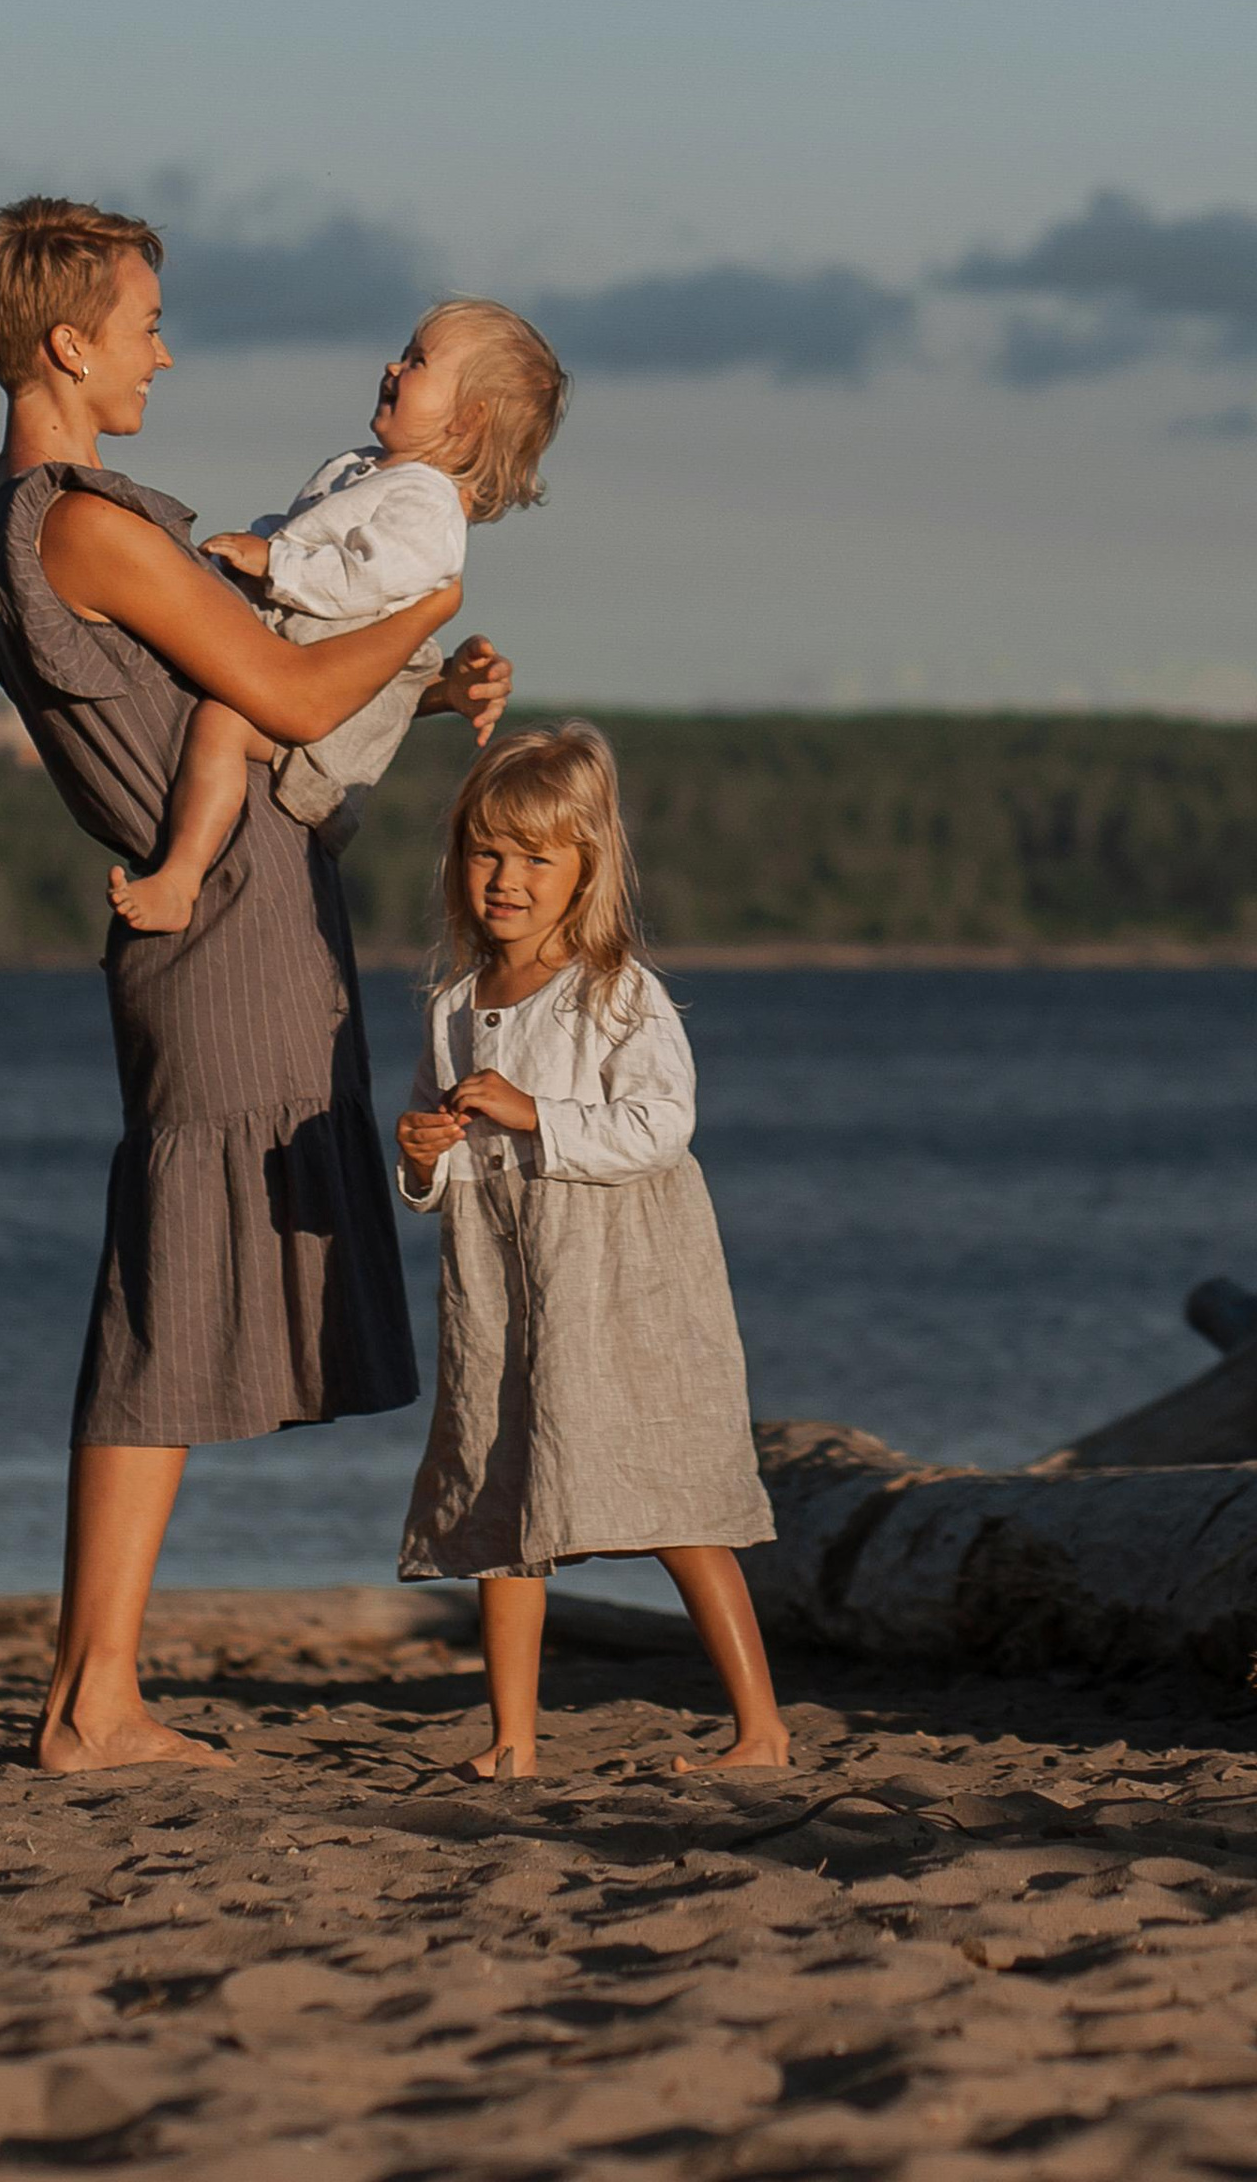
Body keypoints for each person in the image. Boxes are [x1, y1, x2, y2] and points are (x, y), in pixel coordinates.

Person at [0, 195, 510, 1775]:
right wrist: (428, 603)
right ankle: (93, 1699)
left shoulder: (6, 531)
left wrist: (402, 663)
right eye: (142, 326)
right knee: (169, 1284)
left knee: (177, 1275)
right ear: (67, 341)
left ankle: (96, 1688)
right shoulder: (90, 525)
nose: (161, 354)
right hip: (228, 918)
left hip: (213, 905)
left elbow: (260, 701)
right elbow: (286, 683)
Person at [394, 721, 789, 1778]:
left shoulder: (617, 992)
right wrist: (424, 1154)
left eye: (535, 858)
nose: (506, 879)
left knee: (668, 1484)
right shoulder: (452, 1008)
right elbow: (441, 1176)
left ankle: (759, 1728)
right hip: (497, 1279)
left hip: (613, 1272)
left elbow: (662, 1127)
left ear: (584, 873)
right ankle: (512, 1739)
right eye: (487, 853)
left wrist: (536, 1115)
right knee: (499, 1491)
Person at [108, 298, 567, 934]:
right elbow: (304, 532)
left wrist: (272, 562)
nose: (393, 366)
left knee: (220, 725)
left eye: (417, 362)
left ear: (468, 419)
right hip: (299, 659)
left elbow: (359, 579)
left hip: (335, 717)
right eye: (404, 352)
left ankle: (181, 879)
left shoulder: (429, 507)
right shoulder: (360, 468)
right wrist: (246, 551)